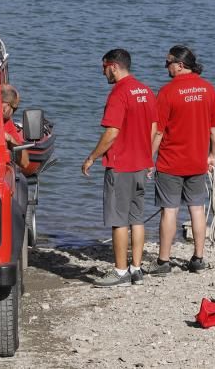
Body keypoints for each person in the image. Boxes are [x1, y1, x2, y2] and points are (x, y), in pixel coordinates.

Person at [144, 45, 215, 276]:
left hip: (171, 161)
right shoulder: (208, 89)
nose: (165, 67)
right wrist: (213, 155)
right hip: (197, 161)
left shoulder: (167, 92)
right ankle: (198, 259)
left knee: (169, 210)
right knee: (197, 209)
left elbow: (158, 132)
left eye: (168, 62)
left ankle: (163, 262)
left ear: (180, 65)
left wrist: (149, 158)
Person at [81, 49, 157, 287]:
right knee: (137, 218)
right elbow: (154, 127)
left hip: (121, 164)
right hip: (141, 164)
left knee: (119, 220)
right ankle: (136, 269)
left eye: (103, 68)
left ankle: (120, 271)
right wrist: (147, 155)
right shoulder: (145, 91)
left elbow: (112, 132)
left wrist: (92, 157)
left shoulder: (119, 93)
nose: (103, 73)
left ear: (113, 66)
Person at [1, 84, 30, 170]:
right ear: (5, 106)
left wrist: (11, 139)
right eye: (14, 108)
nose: (14, 112)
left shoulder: (6, 123)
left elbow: (25, 163)